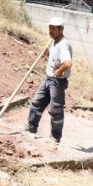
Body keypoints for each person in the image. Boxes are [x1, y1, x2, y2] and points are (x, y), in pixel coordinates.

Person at [24, 16, 73, 144]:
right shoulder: (54, 41)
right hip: (48, 78)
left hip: (57, 82)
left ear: (60, 30)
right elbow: (54, 59)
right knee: (37, 102)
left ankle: (55, 137)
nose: (50, 31)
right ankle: (31, 127)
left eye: (53, 29)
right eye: (49, 28)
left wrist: (59, 71)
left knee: (56, 110)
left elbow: (68, 63)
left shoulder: (64, 44)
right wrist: (47, 53)